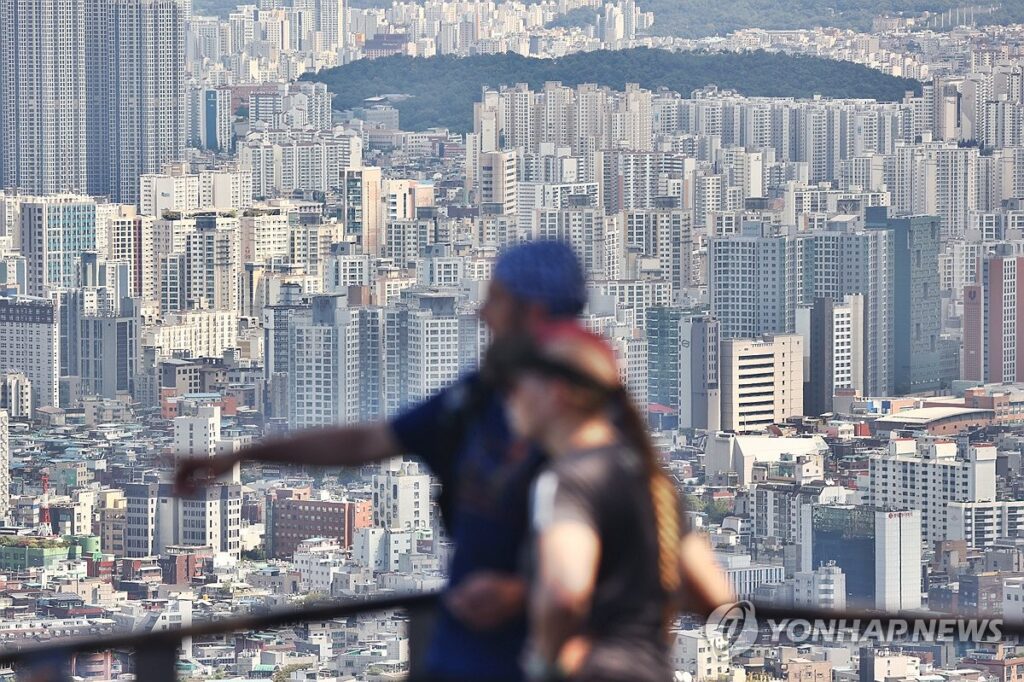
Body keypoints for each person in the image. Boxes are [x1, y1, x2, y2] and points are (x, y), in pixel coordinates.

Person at [175, 240, 590, 682]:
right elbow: (363, 443)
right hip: (461, 656)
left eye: (497, 300)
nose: (481, 313)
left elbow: (620, 559)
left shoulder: (591, 423)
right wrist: (242, 455)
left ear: (533, 313)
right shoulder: (477, 400)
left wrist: (521, 594)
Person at [486, 321, 734, 682]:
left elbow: (565, 595)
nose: (509, 399)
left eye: (517, 386)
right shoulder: (650, 476)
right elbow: (716, 597)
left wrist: (546, 661)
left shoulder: (567, 480)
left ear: (557, 392)